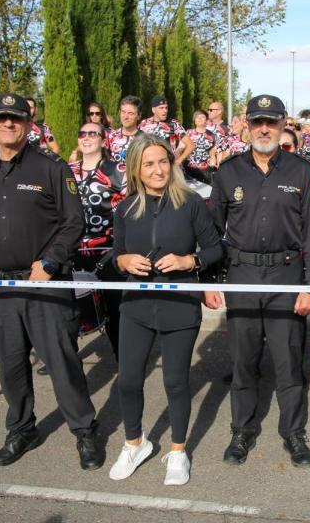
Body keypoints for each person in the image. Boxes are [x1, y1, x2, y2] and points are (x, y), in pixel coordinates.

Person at [0, 93, 104, 470]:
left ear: (29, 124)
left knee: (62, 363)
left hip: (46, 285)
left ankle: (85, 431)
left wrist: (52, 261)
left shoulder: (50, 167)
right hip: (3, 287)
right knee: (11, 366)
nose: (9, 124)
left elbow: (74, 222)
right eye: (3, 118)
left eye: (17, 118)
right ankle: (22, 429)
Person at [209, 94, 310, 468]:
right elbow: (212, 232)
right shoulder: (228, 172)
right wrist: (210, 280)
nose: (264, 129)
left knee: (289, 362)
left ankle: (294, 432)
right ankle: (241, 431)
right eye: (258, 121)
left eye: (271, 122)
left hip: (286, 275)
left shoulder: (300, 171)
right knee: (244, 362)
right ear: (246, 124)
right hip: (242, 274)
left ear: (282, 125)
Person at [107, 136, 223, 486]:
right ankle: (134, 443)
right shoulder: (125, 209)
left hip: (179, 305)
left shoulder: (190, 202)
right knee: (127, 380)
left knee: (175, 381)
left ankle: (177, 450)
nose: (157, 170)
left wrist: (191, 261)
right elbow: (115, 257)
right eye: (149, 164)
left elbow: (216, 248)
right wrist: (123, 260)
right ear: (136, 171)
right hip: (137, 305)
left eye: (163, 162)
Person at [69, 121, 126, 357]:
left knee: (115, 312)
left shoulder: (118, 170)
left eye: (93, 133)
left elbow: (133, 207)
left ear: (104, 140)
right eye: (82, 133)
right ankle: (66, 361)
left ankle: (123, 359)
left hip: (109, 251)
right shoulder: (66, 170)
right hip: (74, 253)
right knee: (70, 312)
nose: (87, 137)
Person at [106, 96, 147, 164]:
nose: (126, 117)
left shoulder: (145, 139)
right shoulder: (111, 137)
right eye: (123, 112)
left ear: (139, 116)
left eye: (130, 113)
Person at [181, 110, 218, 183]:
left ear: (207, 120)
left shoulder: (213, 135)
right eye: (197, 117)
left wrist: (213, 166)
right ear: (194, 120)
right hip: (189, 170)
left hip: (206, 171)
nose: (199, 119)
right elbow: (181, 148)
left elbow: (213, 153)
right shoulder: (188, 133)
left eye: (202, 117)